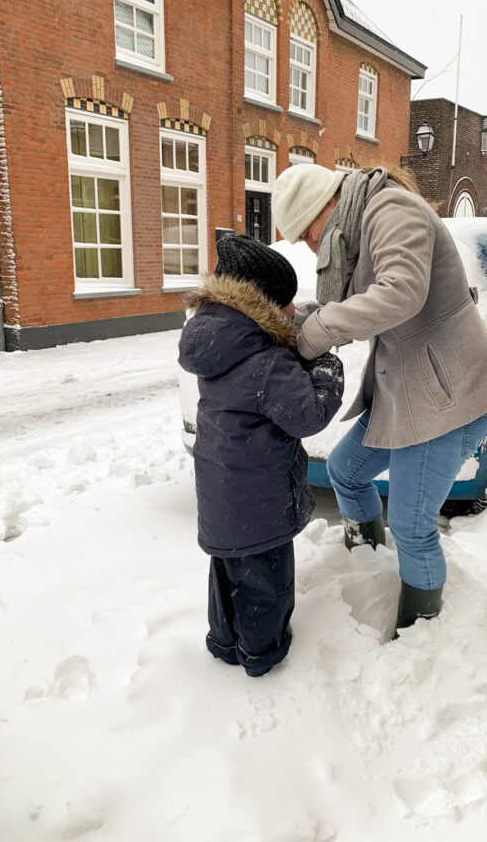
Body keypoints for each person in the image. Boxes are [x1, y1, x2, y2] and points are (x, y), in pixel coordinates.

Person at [272, 164, 487, 635]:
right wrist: (297, 318)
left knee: (411, 525)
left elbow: (399, 293)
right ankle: (365, 568)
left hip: (445, 399)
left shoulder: (391, 210)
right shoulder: (361, 225)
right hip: (405, 393)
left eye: (305, 233)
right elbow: (358, 300)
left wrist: (314, 334)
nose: (308, 245)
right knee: (345, 470)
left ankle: (420, 635)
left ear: (325, 208)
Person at [178, 235, 344, 676]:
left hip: (218, 489)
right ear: (263, 305)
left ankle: (224, 642)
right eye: (286, 303)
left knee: (228, 569)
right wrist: (326, 364)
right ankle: (262, 654)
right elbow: (308, 415)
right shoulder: (268, 361)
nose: (292, 310)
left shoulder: (216, 342)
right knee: (265, 582)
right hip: (261, 500)